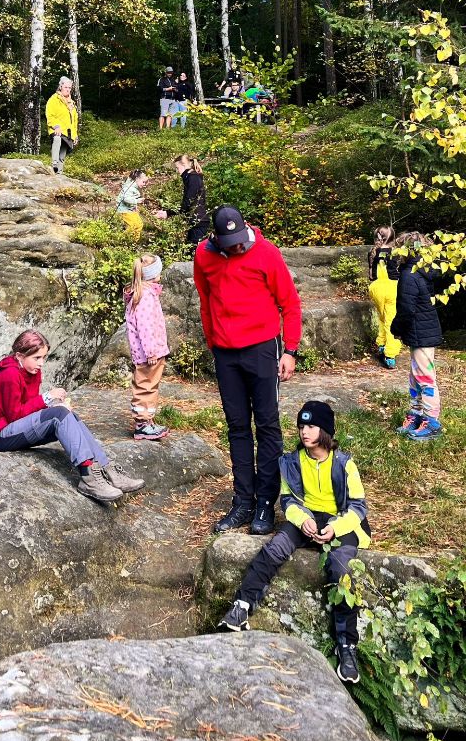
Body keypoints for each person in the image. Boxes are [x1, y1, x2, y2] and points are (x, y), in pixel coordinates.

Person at [220, 400, 369, 686]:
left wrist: (336, 528)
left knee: (340, 571)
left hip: (339, 523)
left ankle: (346, 646)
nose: (304, 431)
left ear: (325, 430)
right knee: (274, 549)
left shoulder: (344, 464)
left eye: (311, 426)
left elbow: (358, 507)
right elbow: (287, 501)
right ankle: (242, 605)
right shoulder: (291, 462)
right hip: (307, 519)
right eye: (301, 426)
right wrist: (302, 520)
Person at [194, 205, 302, 535]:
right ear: (216, 238)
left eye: (241, 240)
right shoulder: (204, 256)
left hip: (262, 350)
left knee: (267, 425)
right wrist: (214, 344)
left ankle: (266, 503)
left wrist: (290, 350)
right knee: (237, 427)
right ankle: (243, 501)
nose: (239, 247)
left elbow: (290, 303)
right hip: (226, 354)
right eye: (232, 243)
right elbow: (205, 300)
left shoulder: (267, 253)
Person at [0, 329, 145, 502]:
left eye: (44, 357)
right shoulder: (9, 375)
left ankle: (107, 469)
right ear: (19, 356)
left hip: (19, 430)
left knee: (69, 415)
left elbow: (30, 410)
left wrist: (55, 406)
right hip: (0, 436)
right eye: (36, 358)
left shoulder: (33, 372)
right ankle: (88, 476)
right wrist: (47, 399)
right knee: (59, 414)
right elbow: (15, 415)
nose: (41, 363)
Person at [391, 232, 444, 440]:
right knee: (415, 376)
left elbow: (406, 309)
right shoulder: (422, 270)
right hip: (419, 332)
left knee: (425, 377)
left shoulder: (408, 275)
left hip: (421, 332)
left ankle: (432, 422)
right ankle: (416, 414)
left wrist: (396, 329)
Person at [124, 254, 170, 441]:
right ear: (154, 274)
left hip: (152, 351)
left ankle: (147, 421)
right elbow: (145, 326)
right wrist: (151, 351)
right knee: (146, 386)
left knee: (149, 385)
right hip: (149, 353)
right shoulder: (144, 297)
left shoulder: (145, 292)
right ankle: (142, 424)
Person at [154, 155, 211, 249]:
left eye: (177, 168)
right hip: (195, 220)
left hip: (198, 221)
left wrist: (168, 213)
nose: (177, 171)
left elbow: (187, 202)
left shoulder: (193, 178)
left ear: (184, 165)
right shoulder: (191, 177)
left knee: (195, 251)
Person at [367, 225, 401, 370]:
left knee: (381, 318)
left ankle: (381, 344)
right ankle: (390, 354)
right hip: (393, 288)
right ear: (393, 237)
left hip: (376, 288)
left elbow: (370, 274)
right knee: (391, 321)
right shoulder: (397, 252)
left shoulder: (373, 251)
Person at [45, 77, 79, 174]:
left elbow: (74, 121)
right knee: (57, 138)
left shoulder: (72, 103)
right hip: (57, 129)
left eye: (69, 87)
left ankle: (59, 175)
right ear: (60, 87)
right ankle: (54, 163)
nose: (67, 89)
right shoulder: (54, 99)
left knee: (62, 156)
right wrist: (56, 126)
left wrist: (75, 135)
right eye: (65, 87)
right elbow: (50, 115)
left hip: (68, 133)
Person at [116, 170, 149, 241]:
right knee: (133, 226)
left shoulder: (136, 186)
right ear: (137, 179)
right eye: (143, 182)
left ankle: (134, 241)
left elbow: (134, 197)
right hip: (124, 210)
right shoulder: (130, 188)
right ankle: (122, 239)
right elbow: (126, 199)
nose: (144, 184)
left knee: (139, 224)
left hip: (131, 210)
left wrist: (136, 205)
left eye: (145, 182)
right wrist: (137, 201)